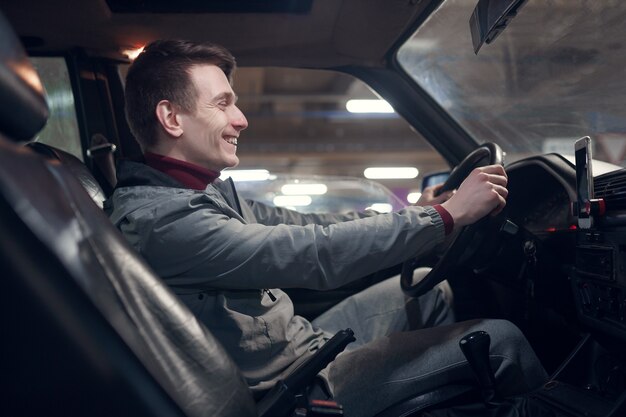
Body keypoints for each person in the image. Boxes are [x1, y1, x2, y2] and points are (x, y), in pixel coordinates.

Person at [106, 39, 547, 416]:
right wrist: (447, 217)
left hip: (300, 345)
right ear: (171, 118)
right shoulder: (164, 223)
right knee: (501, 340)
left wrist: (425, 212)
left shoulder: (202, 194)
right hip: (296, 386)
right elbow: (312, 252)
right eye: (223, 103)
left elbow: (311, 224)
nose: (240, 118)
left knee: (433, 293)